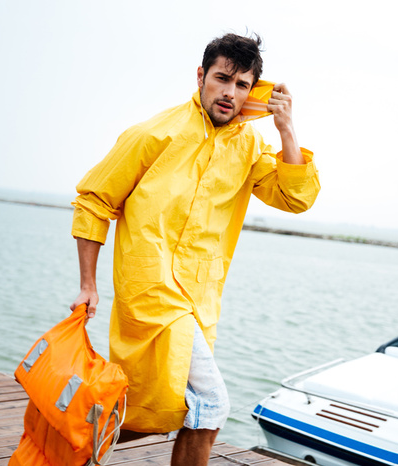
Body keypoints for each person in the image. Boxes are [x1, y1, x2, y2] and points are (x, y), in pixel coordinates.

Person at [70, 33, 320, 465]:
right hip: (150, 290)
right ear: (201, 75)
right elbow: (95, 200)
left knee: (158, 407)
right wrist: (88, 284)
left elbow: (294, 198)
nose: (230, 93)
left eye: (243, 85)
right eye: (222, 79)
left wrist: (285, 129)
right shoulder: (154, 133)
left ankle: (64, 444)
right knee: (211, 404)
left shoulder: (252, 146)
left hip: (201, 298)